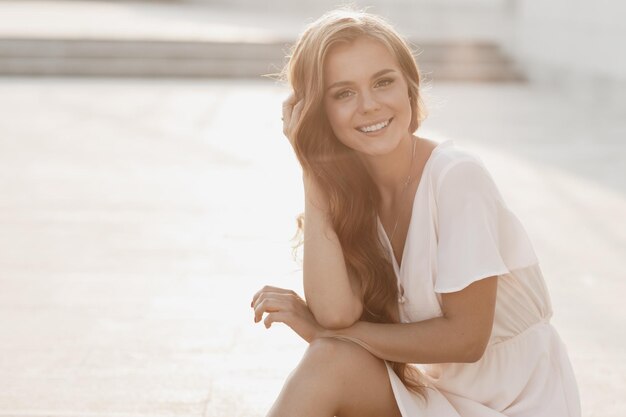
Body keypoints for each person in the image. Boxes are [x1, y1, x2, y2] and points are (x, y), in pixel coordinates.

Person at [250, 7, 581, 417]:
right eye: (344, 93)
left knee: (329, 356)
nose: (369, 106)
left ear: (409, 86)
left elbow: (466, 339)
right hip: (439, 397)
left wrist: (323, 332)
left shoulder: (458, 178)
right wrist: (311, 169)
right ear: (319, 111)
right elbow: (337, 313)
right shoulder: (352, 196)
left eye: (383, 82)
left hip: (518, 402)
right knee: (329, 362)